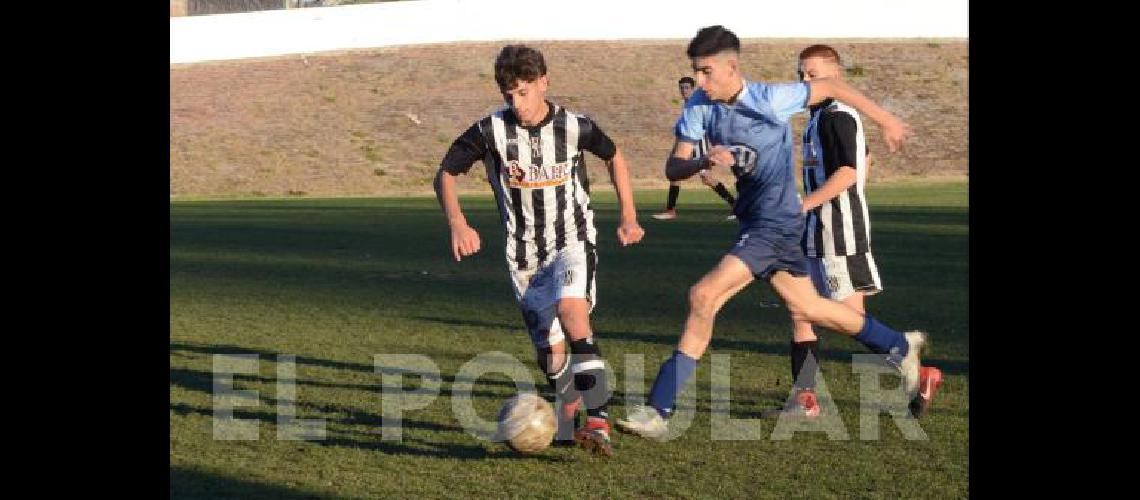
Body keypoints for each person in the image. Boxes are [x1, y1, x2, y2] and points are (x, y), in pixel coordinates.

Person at [615, 26, 928, 439]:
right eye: (696, 72)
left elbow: (832, 85)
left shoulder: (770, 99)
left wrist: (887, 120)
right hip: (759, 223)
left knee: (703, 295)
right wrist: (702, 161)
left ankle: (658, 409)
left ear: (732, 67)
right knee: (811, 309)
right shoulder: (698, 107)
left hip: (776, 224)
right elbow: (673, 167)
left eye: (707, 72)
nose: (700, 81)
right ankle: (900, 347)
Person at [433, 45, 645, 456]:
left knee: (572, 311)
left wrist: (629, 215)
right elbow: (446, 173)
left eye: (524, 92)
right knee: (551, 354)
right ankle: (567, 412)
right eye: (509, 94)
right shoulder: (489, 131)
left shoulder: (575, 126)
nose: (518, 103)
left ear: (544, 83)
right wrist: (458, 223)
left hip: (573, 240)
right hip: (524, 257)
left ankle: (598, 420)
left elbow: (614, 156)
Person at [772, 44, 942, 419]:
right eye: (801, 73)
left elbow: (848, 172)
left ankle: (912, 361)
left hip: (840, 232)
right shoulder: (817, 117)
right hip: (816, 230)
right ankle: (805, 399)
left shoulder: (837, 115)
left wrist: (803, 205)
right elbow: (863, 161)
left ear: (836, 78)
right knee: (799, 308)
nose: (804, 80)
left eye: (813, 75)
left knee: (848, 317)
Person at [653, 76, 737, 221]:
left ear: (692, 89)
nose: (683, 90)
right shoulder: (687, 105)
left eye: (686, 88)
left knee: (707, 178)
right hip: (686, 146)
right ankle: (670, 210)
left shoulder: (697, 104)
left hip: (698, 145)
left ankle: (737, 206)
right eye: (681, 88)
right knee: (676, 177)